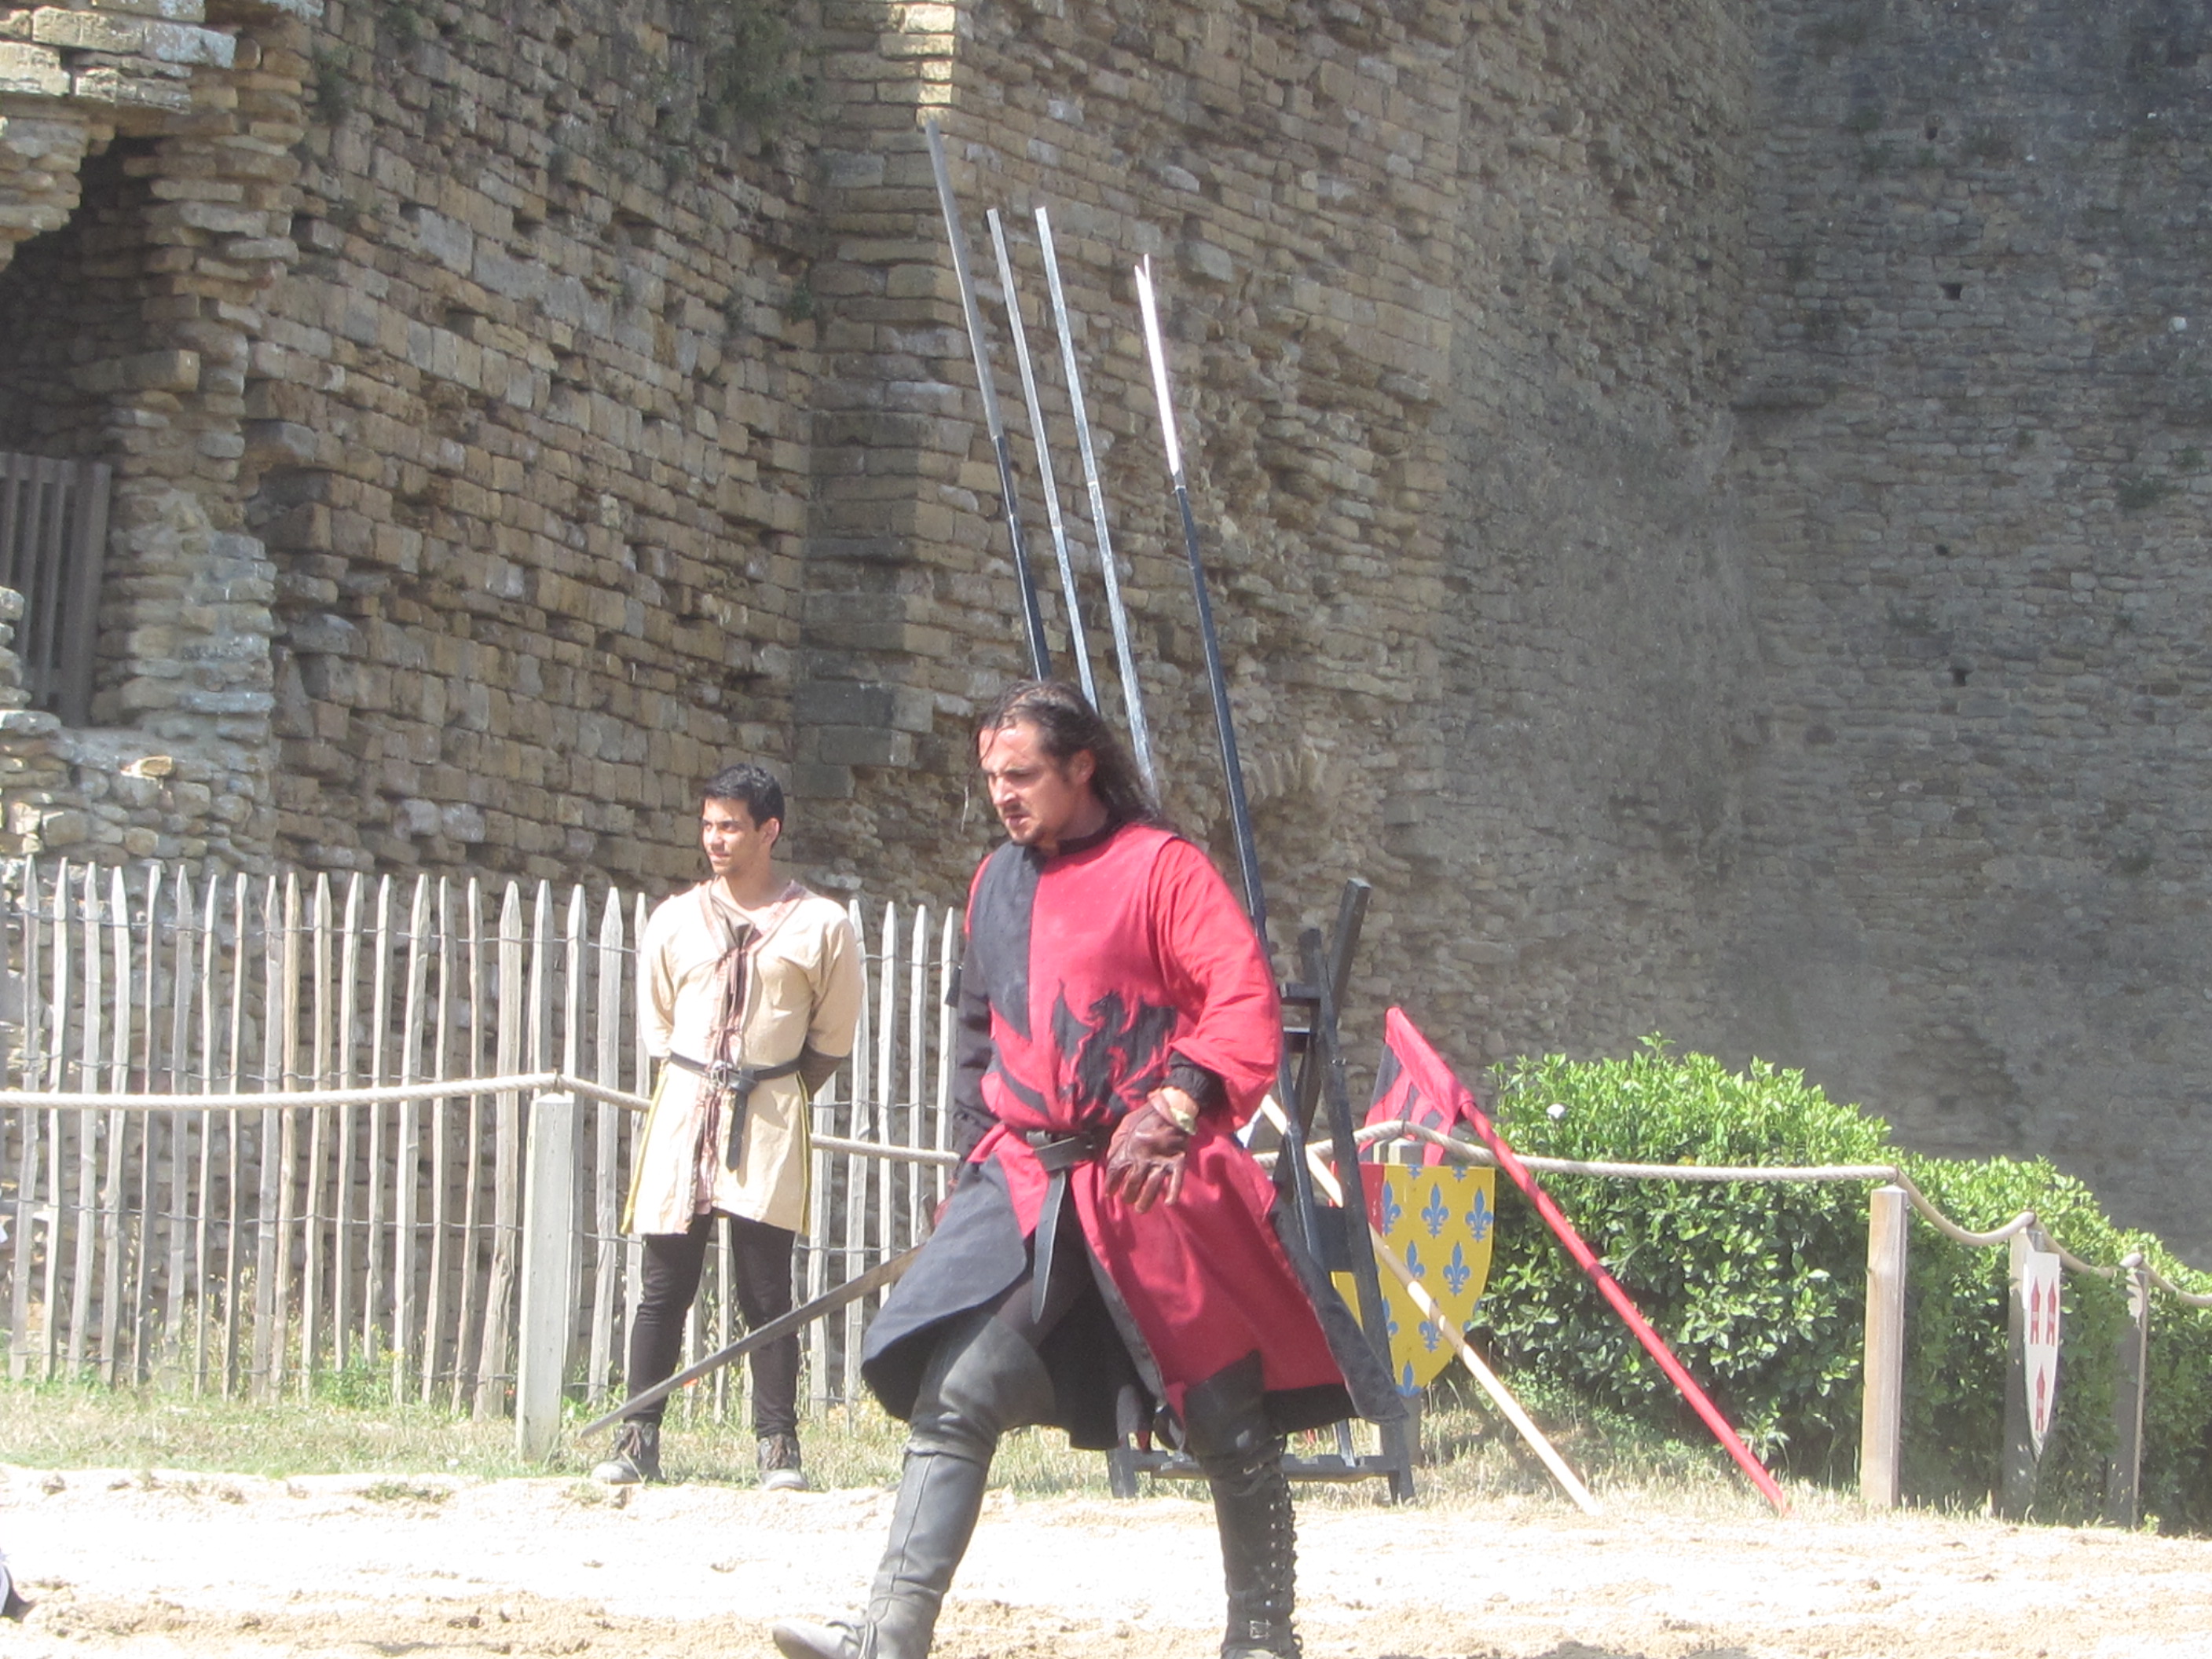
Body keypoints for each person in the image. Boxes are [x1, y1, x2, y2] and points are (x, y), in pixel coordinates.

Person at [772, 681, 1399, 1659]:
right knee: (960, 1388)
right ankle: (888, 1637)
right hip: (1030, 1184)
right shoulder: (994, 883)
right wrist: (969, 1173)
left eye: (1020, 775)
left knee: (1226, 1420)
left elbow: (1239, 998)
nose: (1002, 794)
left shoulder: (1163, 870)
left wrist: (1178, 1101)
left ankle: (1261, 1639)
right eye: (991, 777)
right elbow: (977, 1040)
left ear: (1080, 766)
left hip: (1157, 1190)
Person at [595, 763, 863, 1491]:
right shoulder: (675, 920)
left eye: (731, 826)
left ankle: (778, 1448)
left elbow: (832, 1038)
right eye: (709, 825)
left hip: (768, 1113)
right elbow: (659, 1026)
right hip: (685, 1112)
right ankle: (637, 1437)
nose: (715, 839)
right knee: (664, 1285)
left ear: (768, 831)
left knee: (766, 1289)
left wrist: (771, 1089)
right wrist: (703, 1085)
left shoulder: (822, 926)